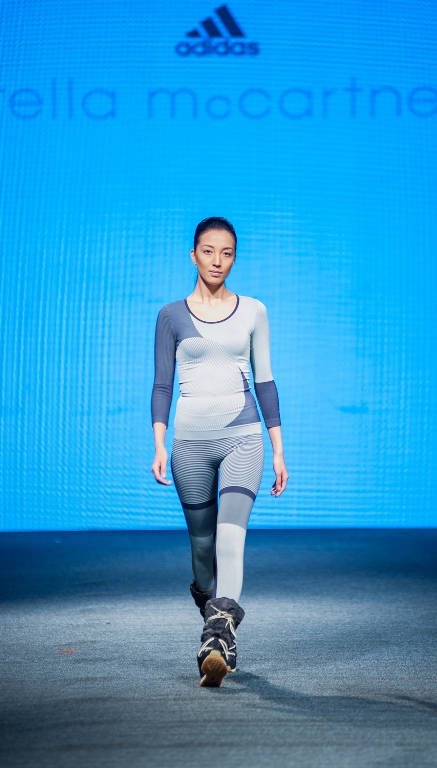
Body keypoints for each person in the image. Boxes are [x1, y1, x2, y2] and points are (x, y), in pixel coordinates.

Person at [150, 216, 288, 687]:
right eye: (208, 251)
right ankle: (211, 611)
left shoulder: (253, 311)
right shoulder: (171, 315)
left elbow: (266, 382)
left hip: (243, 437)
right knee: (203, 547)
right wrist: (159, 443)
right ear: (193, 255)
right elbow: (162, 384)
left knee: (231, 538)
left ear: (234, 258)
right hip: (189, 443)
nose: (217, 261)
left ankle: (218, 635)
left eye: (226, 253)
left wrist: (278, 449)